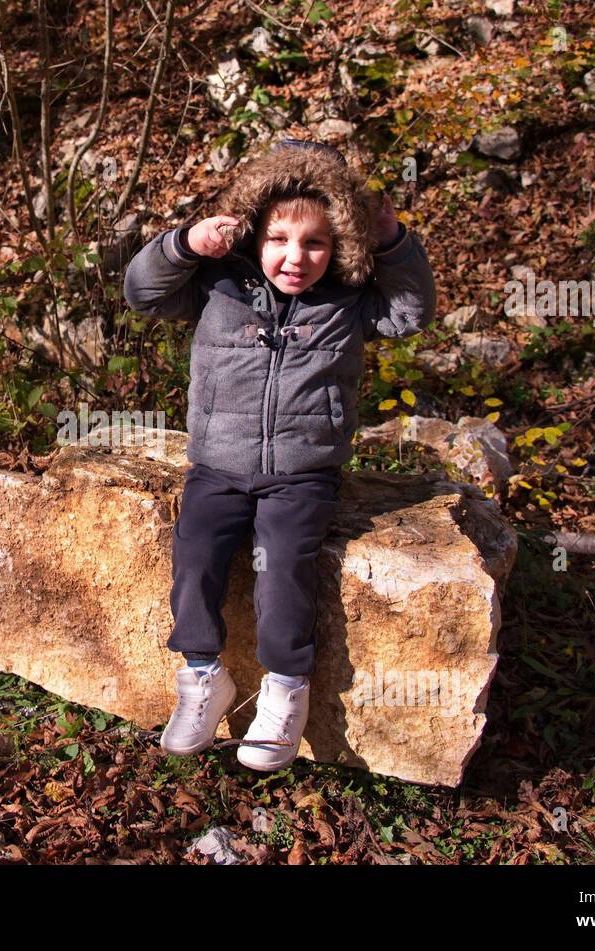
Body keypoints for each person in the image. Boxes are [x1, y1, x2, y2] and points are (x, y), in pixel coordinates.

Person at [121, 138, 439, 771]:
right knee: (195, 554)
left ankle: (285, 692)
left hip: (302, 474)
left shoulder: (346, 302)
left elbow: (410, 312)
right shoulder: (219, 287)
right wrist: (184, 244)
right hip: (217, 465)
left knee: (286, 569)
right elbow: (142, 292)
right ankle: (204, 678)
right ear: (251, 235)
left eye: (315, 244)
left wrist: (395, 239)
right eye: (279, 240)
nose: (295, 258)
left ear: (340, 245)